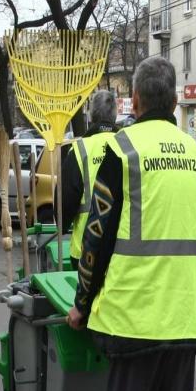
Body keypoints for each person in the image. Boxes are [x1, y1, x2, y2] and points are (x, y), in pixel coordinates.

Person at [67, 57, 196, 391]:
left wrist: (82, 304)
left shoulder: (122, 151)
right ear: (174, 103)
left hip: (133, 320)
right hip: (185, 320)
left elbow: (96, 239)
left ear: (134, 101)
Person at [58, 90, 118, 269]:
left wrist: (62, 226)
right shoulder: (129, 146)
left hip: (85, 250)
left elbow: (64, 203)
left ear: (91, 116)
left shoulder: (80, 150)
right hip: (121, 252)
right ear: (114, 116)